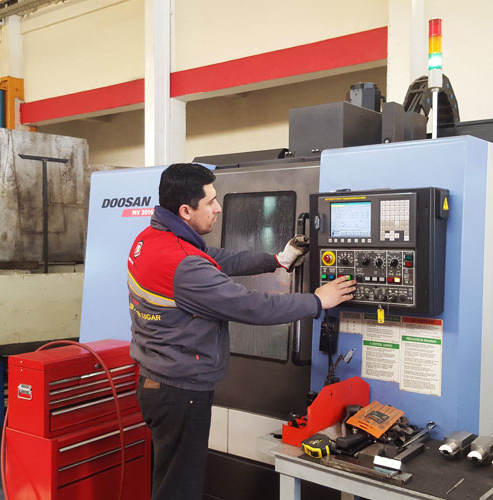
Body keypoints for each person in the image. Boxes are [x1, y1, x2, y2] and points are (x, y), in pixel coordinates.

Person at [127, 163, 356, 500]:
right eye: (211, 201)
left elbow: (217, 258)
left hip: (157, 382)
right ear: (186, 210)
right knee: (180, 490)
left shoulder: (152, 239)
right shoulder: (184, 264)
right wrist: (317, 301)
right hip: (181, 392)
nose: (218, 208)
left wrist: (277, 260)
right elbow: (251, 306)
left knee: (171, 480)